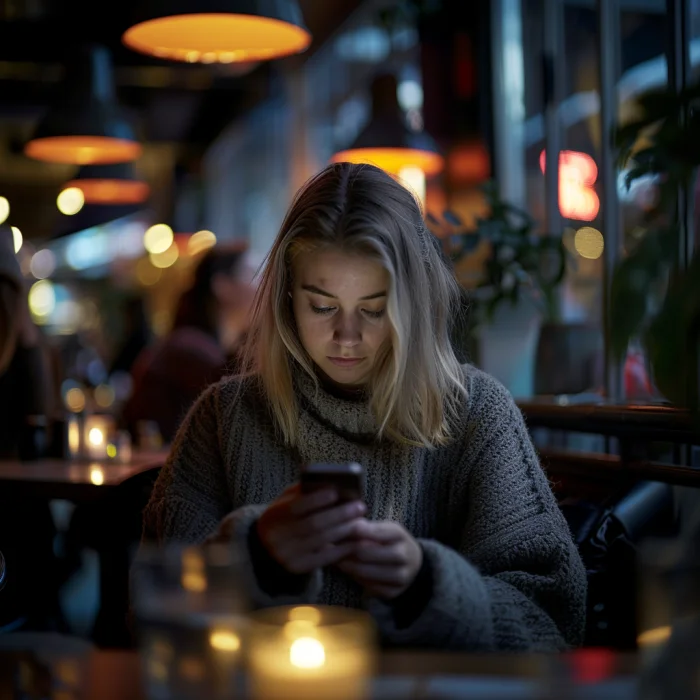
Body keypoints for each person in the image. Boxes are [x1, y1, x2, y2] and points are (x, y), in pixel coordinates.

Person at [143, 163, 587, 651]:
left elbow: (552, 625)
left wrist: (426, 586)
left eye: (374, 310)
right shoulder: (224, 420)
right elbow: (152, 614)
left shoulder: (479, 415)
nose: (347, 337)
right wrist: (256, 558)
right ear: (287, 298)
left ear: (413, 303)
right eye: (322, 306)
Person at [124, 243, 255, 442]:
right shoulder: (188, 348)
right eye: (253, 273)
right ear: (221, 286)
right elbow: (245, 405)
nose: (266, 283)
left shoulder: (195, 344)